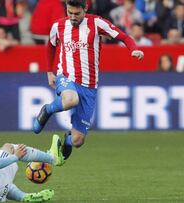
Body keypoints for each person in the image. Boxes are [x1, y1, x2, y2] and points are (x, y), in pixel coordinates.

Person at [33, 0, 144, 160]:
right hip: (66, 76)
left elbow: (124, 37)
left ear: (85, 9)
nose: (72, 17)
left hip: (89, 86)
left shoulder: (97, 23)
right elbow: (51, 46)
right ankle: (48, 109)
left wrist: (134, 49)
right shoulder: (58, 26)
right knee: (70, 99)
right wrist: (50, 72)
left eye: (76, 14)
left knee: (78, 141)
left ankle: (67, 141)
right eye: (69, 13)